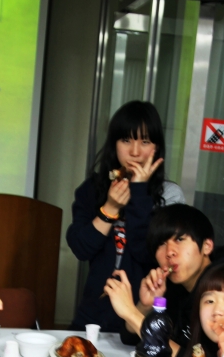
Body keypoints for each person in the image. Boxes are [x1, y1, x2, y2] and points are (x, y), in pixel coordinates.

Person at [66, 101, 184, 332]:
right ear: (114, 144)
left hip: (142, 317)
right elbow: (81, 249)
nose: (135, 151)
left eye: (145, 141)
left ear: (157, 147)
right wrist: (110, 208)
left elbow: (147, 253)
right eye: (126, 140)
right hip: (93, 315)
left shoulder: (169, 195)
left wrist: (139, 192)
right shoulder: (93, 189)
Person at [104, 204, 215, 357]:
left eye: (179, 239)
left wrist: (131, 313)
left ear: (207, 246)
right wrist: (145, 306)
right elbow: (130, 338)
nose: (169, 252)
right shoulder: (175, 288)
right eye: (161, 244)